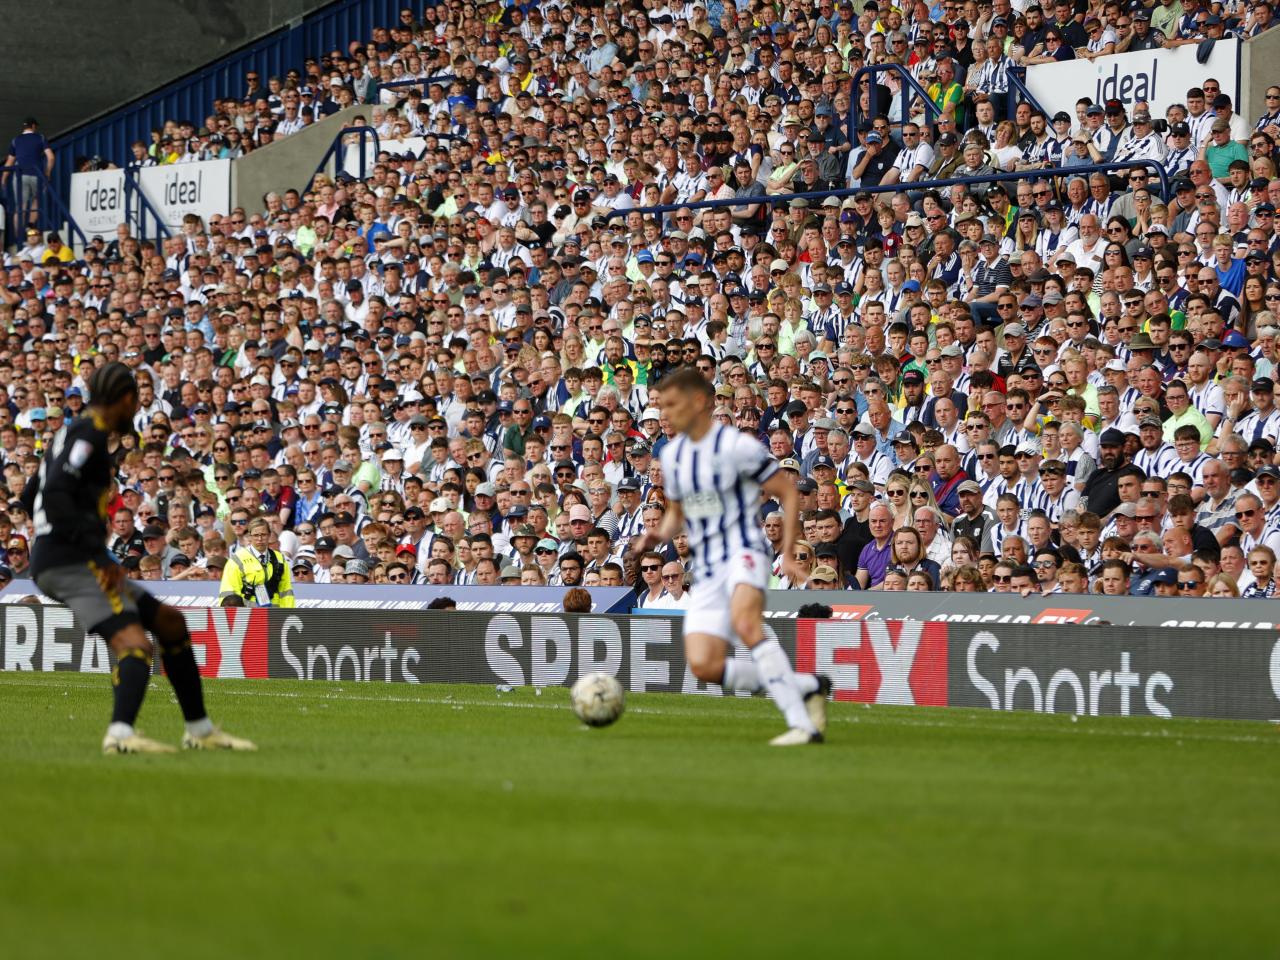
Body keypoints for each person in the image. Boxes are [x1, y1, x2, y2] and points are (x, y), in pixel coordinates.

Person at [23, 363, 254, 754]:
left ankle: (199, 730)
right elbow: (58, 491)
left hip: (60, 555)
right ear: (127, 399)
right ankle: (121, 734)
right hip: (71, 559)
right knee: (135, 644)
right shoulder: (90, 436)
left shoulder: (68, 433)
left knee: (170, 622)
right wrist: (94, 550)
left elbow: (32, 495)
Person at [636, 368, 829, 746]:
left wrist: (787, 553)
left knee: (746, 623)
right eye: (662, 407)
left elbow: (787, 493)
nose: (665, 414)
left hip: (744, 550)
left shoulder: (737, 447)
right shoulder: (673, 454)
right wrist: (655, 533)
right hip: (707, 568)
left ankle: (802, 725)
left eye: (672, 405)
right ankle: (805, 685)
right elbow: (677, 510)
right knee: (703, 665)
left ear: (697, 403)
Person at [218, 517, 297, 607]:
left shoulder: (280, 559)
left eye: (263, 534)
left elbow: (286, 591)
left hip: (274, 616)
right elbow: (229, 593)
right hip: (248, 615)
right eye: (256, 535)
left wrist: (288, 615)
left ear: (269, 535)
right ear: (249, 536)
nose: (260, 539)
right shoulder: (236, 560)